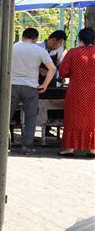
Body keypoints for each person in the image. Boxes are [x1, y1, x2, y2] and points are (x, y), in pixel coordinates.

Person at [10, 27, 56, 154]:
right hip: (31, 87)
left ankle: (3, 145)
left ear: (23, 36)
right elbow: (52, 69)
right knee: (30, 118)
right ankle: (27, 147)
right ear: (35, 39)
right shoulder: (39, 50)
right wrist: (45, 84)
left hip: (12, 86)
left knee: (6, 116)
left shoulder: (12, 47)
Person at [58, 27, 95, 157]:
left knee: (73, 118)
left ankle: (70, 148)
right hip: (93, 91)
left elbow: (62, 72)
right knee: (92, 119)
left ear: (80, 39)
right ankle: (92, 149)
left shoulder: (73, 53)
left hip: (76, 91)